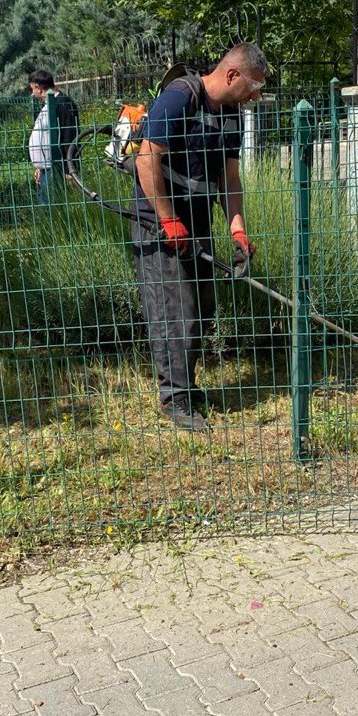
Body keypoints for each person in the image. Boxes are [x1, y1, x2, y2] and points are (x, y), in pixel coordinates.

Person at [132, 43, 267, 433]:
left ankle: (186, 387)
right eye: (253, 86)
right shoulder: (179, 99)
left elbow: (230, 178)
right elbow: (146, 160)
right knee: (176, 311)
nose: (255, 97)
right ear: (232, 75)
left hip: (197, 222)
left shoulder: (230, 115)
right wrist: (168, 220)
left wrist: (237, 227)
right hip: (157, 222)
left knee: (203, 307)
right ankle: (174, 398)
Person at [27, 70, 80, 207]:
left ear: (38, 88)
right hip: (46, 169)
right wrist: (39, 166)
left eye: (32, 89)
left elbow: (70, 136)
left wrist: (70, 169)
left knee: (53, 210)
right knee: (46, 209)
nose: (32, 93)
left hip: (57, 169)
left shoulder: (63, 103)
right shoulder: (48, 105)